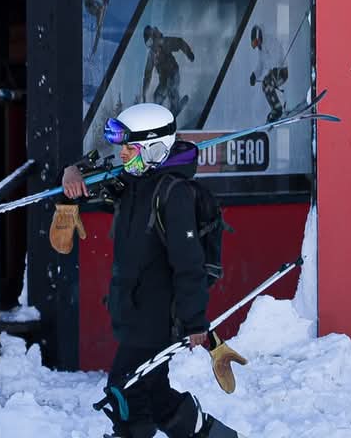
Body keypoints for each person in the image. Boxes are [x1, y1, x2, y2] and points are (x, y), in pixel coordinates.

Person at [60, 103, 238, 438]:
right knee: (155, 395)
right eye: (121, 147)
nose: (122, 154)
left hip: (159, 318)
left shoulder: (175, 194)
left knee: (124, 390)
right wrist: (71, 172)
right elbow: (85, 189)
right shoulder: (134, 183)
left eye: (131, 148)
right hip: (133, 309)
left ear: (156, 149)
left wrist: (195, 322)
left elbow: (190, 265)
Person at [142, 26, 194, 116]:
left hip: (173, 73)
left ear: (154, 38)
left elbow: (179, 42)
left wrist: (189, 53)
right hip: (163, 79)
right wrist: (144, 91)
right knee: (157, 96)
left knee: (171, 87)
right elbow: (147, 74)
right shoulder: (151, 55)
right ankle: (158, 115)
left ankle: (175, 105)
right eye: (148, 44)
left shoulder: (164, 43)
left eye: (151, 42)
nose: (151, 46)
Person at [248, 24, 288, 123]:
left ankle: (281, 109)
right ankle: (276, 109)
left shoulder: (270, 41)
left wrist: (274, 68)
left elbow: (278, 54)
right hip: (274, 73)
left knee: (268, 82)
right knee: (265, 85)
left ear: (259, 37)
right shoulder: (261, 49)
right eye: (255, 43)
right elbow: (260, 65)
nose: (257, 45)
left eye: (257, 42)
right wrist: (255, 75)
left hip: (281, 71)